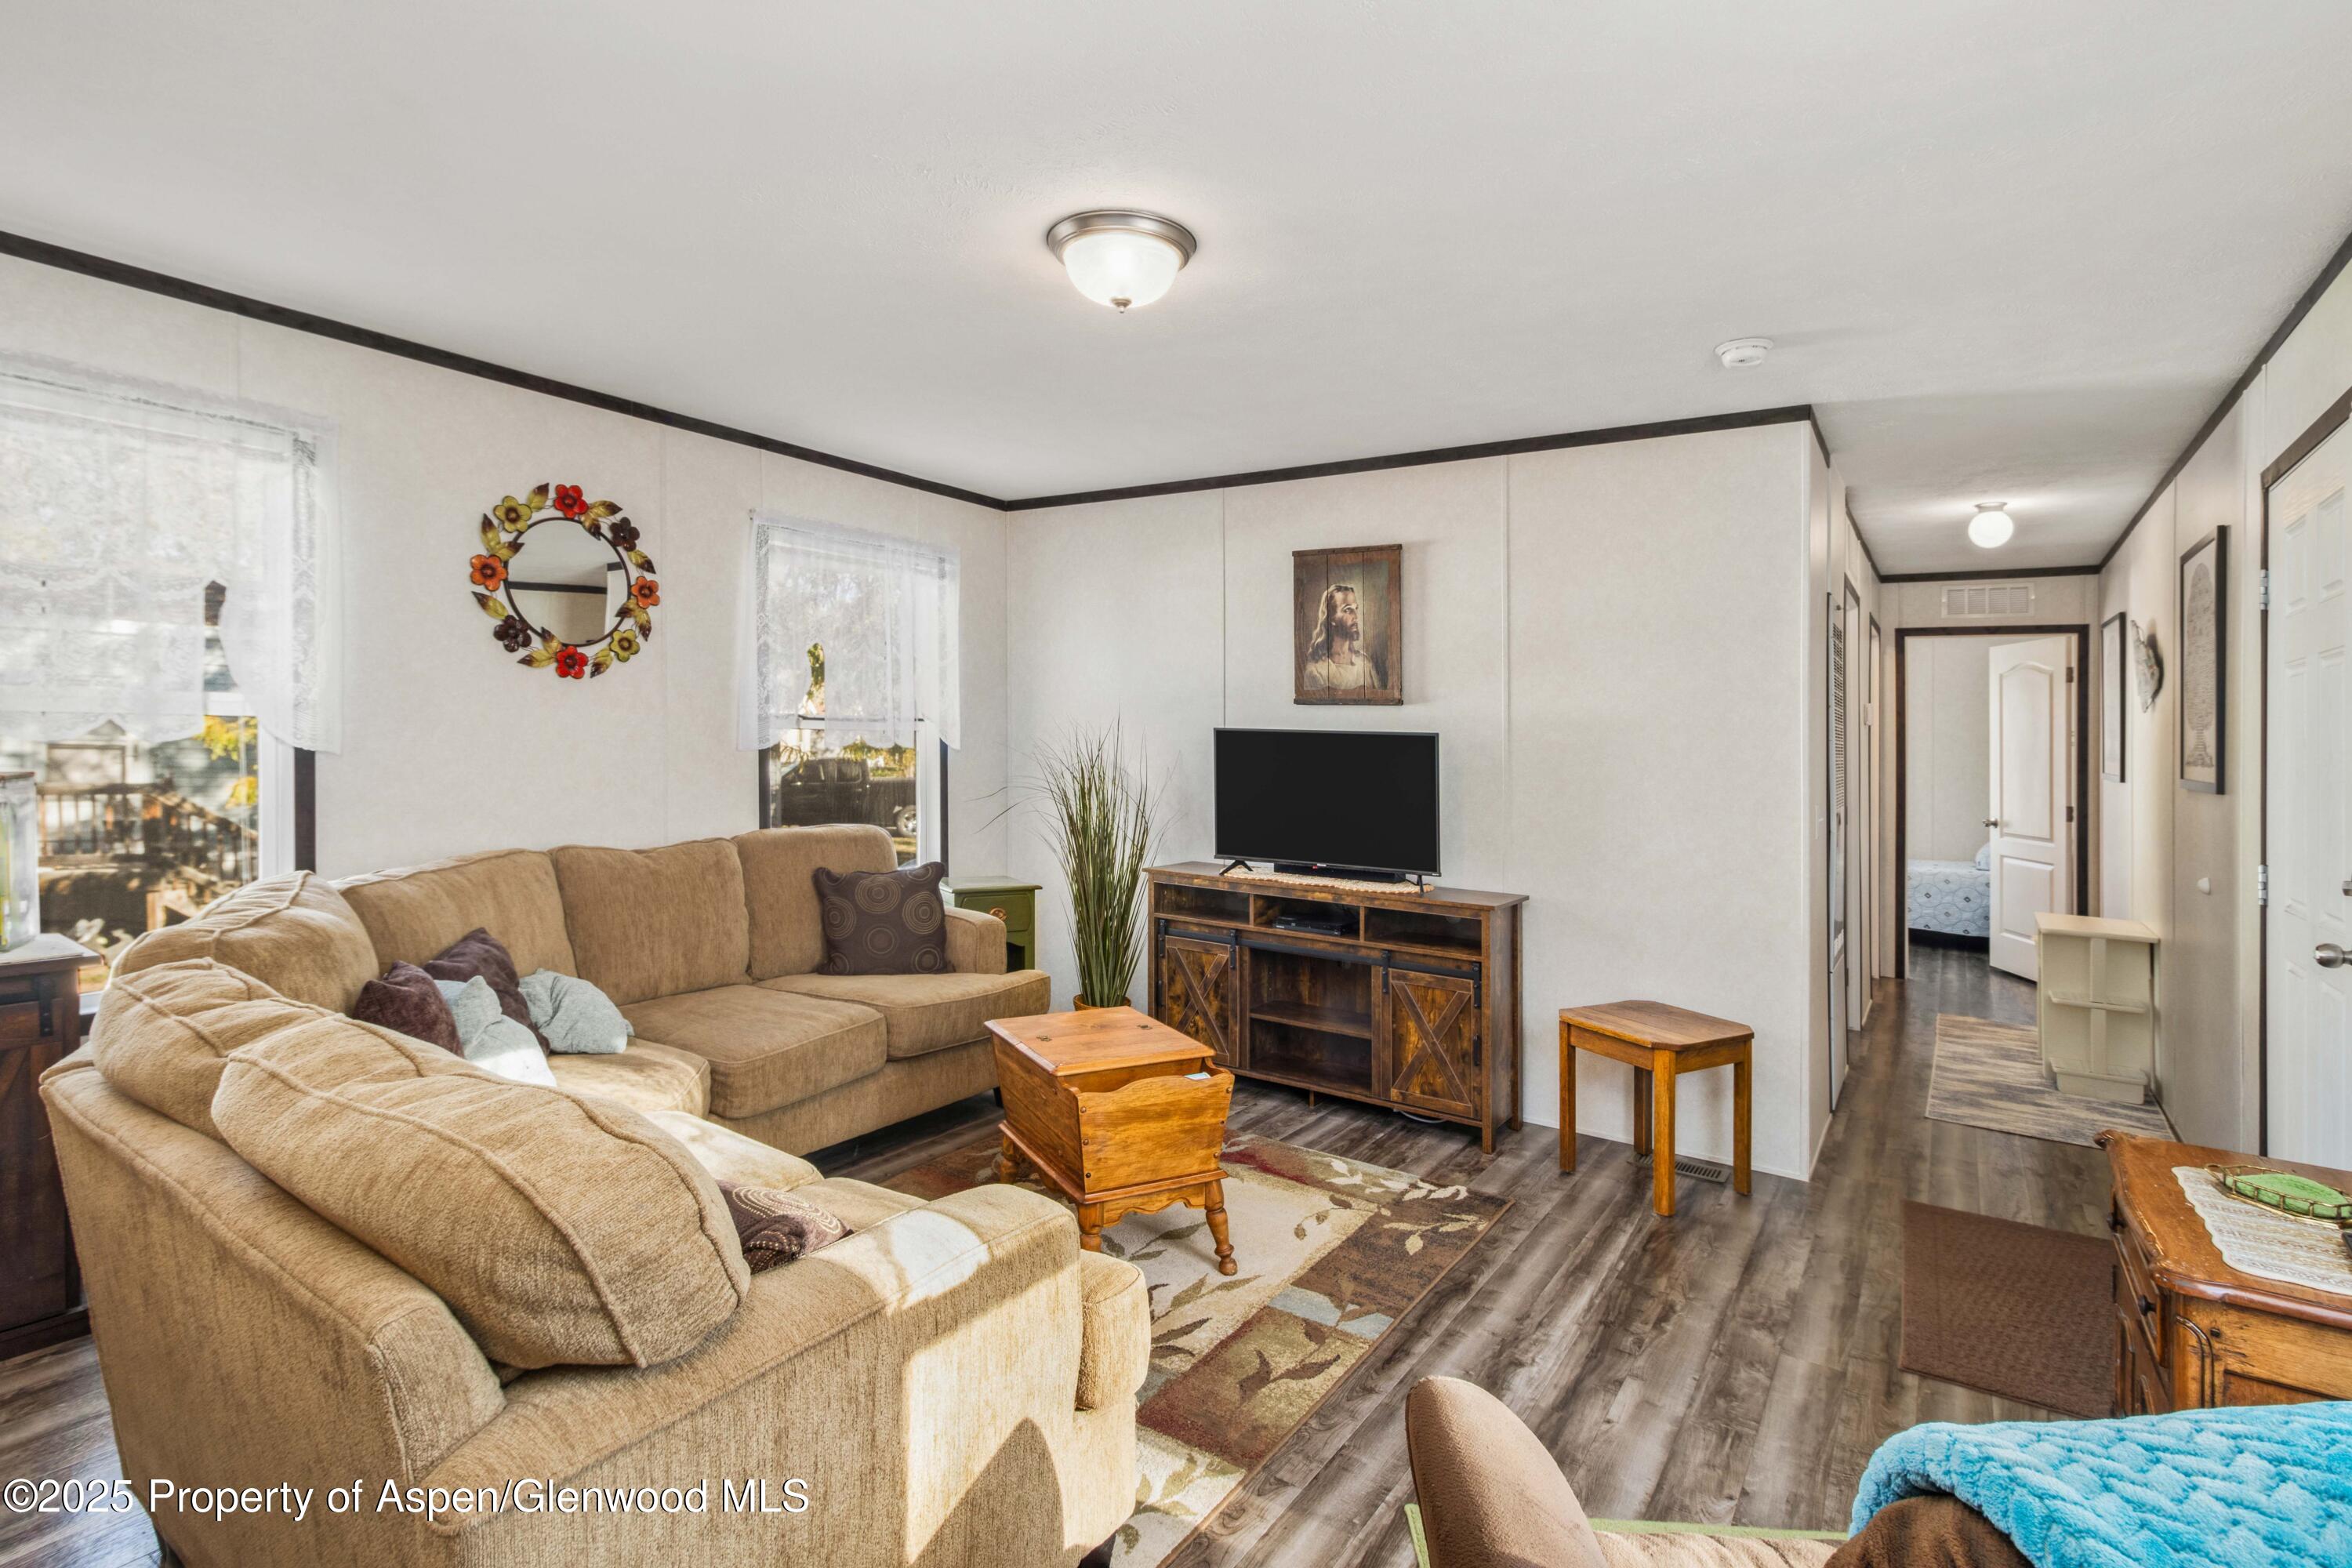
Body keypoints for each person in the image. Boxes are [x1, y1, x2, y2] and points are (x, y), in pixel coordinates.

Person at [1303, 583, 1384, 692]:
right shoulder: (1316, 671)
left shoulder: (1365, 663)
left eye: (1356, 609)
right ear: (1331, 618)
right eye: (1347, 610)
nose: (1356, 617)